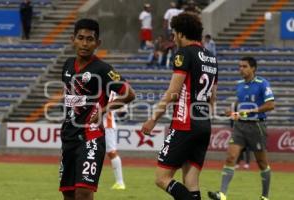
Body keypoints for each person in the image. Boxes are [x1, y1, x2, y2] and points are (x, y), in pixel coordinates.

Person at [141, 13, 218, 200]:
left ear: (182, 34)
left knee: (162, 178)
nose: (173, 37)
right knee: (191, 181)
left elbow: (173, 93)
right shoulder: (211, 58)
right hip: (203, 124)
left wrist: (152, 119)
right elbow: (212, 98)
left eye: (174, 33)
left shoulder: (184, 53)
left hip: (185, 124)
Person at [59, 18, 135, 200]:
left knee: (84, 192)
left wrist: (103, 110)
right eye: (81, 38)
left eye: (90, 39)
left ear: (97, 43)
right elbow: (70, 99)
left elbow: (129, 94)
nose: (85, 43)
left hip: (91, 137)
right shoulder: (67, 65)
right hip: (69, 137)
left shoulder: (103, 69)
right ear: (73, 39)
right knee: (68, 194)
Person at [208, 56, 275, 200]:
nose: (241, 69)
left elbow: (271, 105)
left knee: (262, 163)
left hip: (257, 126)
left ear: (253, 68)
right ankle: (222, 194)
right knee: (231, 157)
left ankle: (265, 196)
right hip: (240, 126)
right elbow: (240, 101)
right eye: (240, 66)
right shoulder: (239, 84)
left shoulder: (262, 83)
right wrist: (231, 109)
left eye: (244, 66)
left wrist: (250, 111)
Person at [104, 91, 126, 190]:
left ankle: (120, 182)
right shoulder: (110, 89)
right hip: (100, 124)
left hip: (107, 124)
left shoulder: (109, 90)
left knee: (111, 152)